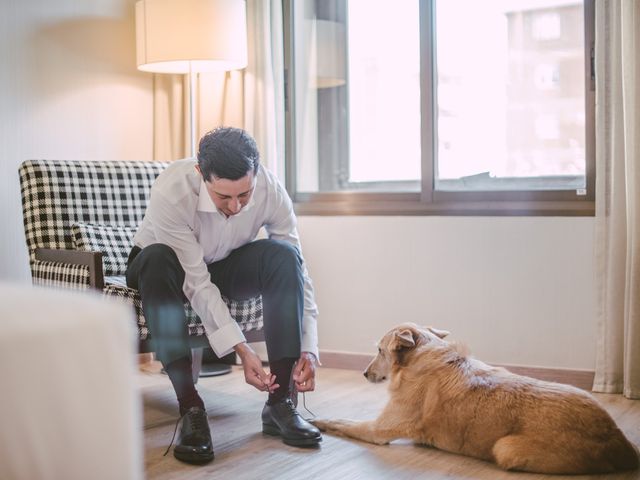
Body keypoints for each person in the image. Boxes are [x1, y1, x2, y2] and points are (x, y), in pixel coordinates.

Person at [126, 127, 321, 464]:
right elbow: (196, 281)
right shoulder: (172, 191)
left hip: (226, 262)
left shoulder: (270, 188)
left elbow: (298, 269)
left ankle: (279, 404)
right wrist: (241, 348)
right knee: (158, 259)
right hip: (163, 266)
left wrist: (310, 347)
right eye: (223, 197)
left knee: (284, 257)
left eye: (244, 195)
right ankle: (190, 408)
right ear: (202, 174)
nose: (235, 206)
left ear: (256, 173)